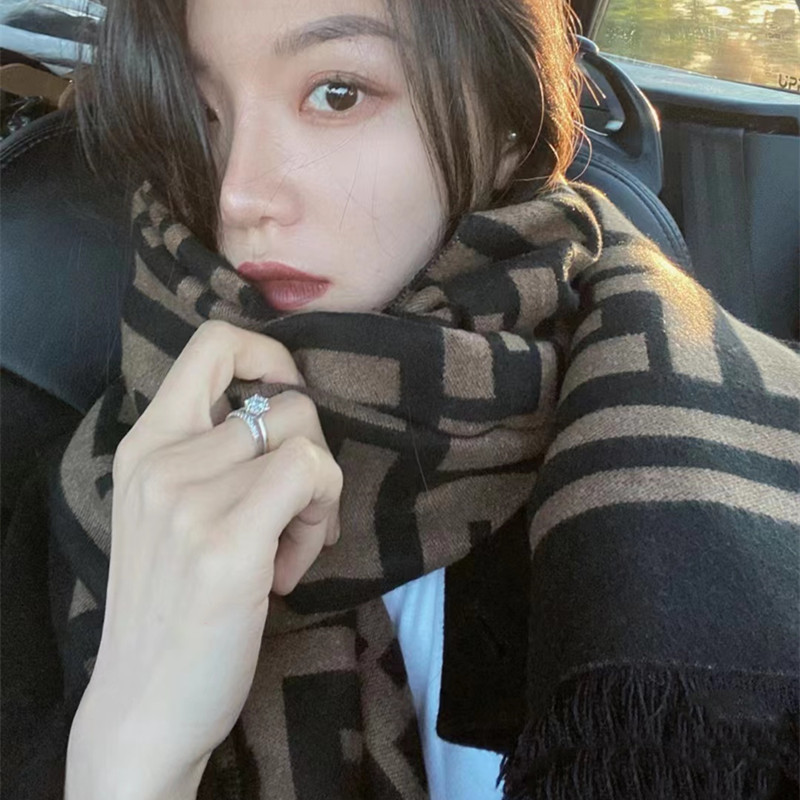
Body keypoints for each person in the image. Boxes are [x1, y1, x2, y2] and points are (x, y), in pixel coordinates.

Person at [2, 0, 798, 798]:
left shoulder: (722, 440)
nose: (238, 194)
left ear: (505, 124)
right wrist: (133, 750)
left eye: (338, 93)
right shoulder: (98, 502)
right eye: (207, 113)